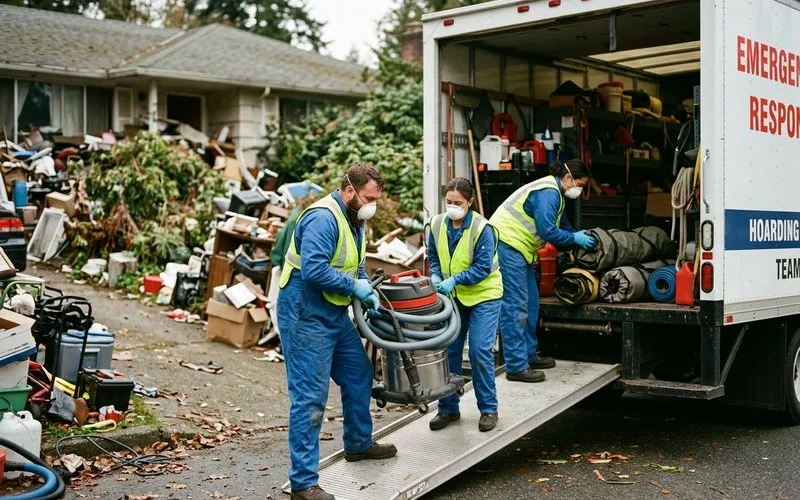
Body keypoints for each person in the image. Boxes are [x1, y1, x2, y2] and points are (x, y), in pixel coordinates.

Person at [277, 164, 397, 500]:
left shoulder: (356, 219)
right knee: (310, 399)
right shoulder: (322, 218)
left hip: (332, 310)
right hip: (304, 311)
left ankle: (358, 444)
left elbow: (354, 262)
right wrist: (353, 287)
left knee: (359, 373)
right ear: (349, 191)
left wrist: (364, 287)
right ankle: (303, 483)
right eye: (369, 198)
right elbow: (314, 270)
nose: (372, 204)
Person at [489, 159, 597, 383]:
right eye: (580, 184)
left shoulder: (555, 194)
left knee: (531, 303)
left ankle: (528, 355)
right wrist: (573, 238)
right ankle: (516, 366)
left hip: (519, 249)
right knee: (515, 305)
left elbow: (562, 223)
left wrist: (576, 235)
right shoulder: (548, 192)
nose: (580, 190)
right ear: (568, 178)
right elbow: (548, 230)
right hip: (507, 245)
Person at [427, 177, 503, 432]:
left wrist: (454, 280)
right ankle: (448, 409)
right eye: (448, 201)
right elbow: (434, 257)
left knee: (479, 351)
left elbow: (482, 269)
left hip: (484, 295)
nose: (452, 206)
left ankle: (489, 409)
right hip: (454, 297)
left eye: (458, 202)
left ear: (470, 202)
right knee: (448, 350)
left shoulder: (483, 229)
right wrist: (436, 276)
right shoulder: (436, 224)